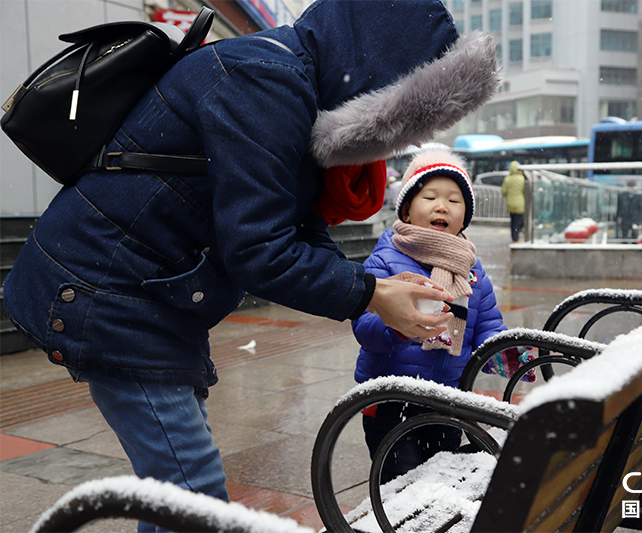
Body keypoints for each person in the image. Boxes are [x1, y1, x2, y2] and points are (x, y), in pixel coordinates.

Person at [2, 1, 500, 530]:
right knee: (192, 494)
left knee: (174, 492)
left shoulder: (289, 81)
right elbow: (258, 250)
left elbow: (293, 222)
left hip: (148, 296)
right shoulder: (268, 80)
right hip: (107, 293)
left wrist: (374, 283)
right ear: (380, 77)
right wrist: (371, 294)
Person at [352, 147, 507, 483]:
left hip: (447, 400)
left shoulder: (471, 269)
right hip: (392, 400)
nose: (442, 206)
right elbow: (364, 326)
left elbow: (488, 323)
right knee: (401, 482)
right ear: (406, 211)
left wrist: (504, 352)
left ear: (464, 216)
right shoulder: (385, 261)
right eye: (430, 197)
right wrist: (397, 327)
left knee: (440, 481)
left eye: (454, 200)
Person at [501, 160, 525, 242]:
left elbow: (504, 191)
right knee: (519, 220)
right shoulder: (522, 179)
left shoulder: (507, 179)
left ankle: (514, 236)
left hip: (510, 203)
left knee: (513, 220)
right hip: (520, 203)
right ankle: (516, 235)